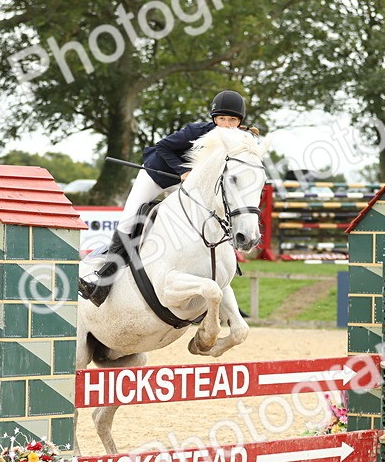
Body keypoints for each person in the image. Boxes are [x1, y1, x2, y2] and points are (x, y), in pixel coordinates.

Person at [79, 90, 254, 305]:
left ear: (240, 121)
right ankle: (103, 280)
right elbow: (162, 147)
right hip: (156, 175)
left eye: (232, 120)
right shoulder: (196, 131)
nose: (226, 124)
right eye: (221, 119)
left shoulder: (237, 138)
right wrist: (181, 170)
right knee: (129, 219)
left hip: (186, 184)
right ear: (214, 118)